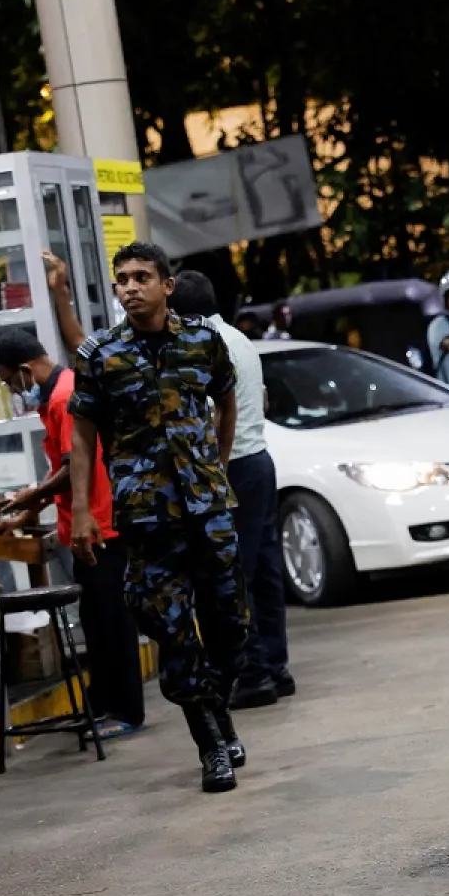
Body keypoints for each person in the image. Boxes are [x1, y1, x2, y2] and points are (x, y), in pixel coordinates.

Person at [68, 241, 250, 793]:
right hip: (147, 518)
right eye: (121, 278)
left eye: (142, 276)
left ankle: (218, 708)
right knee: (172, 631)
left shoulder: (202, 340)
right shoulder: (100, 354)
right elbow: (82, 434)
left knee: (231, 624)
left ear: (166, 285)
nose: (130, 286)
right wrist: (81, 508)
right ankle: (210, 744)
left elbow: (226, 402)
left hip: (207, 507)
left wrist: (215, 468)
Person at [0, 328, 145, 738]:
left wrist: (30, 496)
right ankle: (105, 703)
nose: (12, 389)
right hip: (84, 526)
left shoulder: (63, 399)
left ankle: (124, 711)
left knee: (111, 621)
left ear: (25, 369)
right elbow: (62, 466)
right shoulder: (60, 394)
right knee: (95, 621)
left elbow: (76, 465)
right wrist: (27, 513)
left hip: (98, 525)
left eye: (9, 381)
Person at [168, 271, 295, 711]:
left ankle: (254, 674)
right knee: (264, 571)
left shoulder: (203, 346)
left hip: (233, 465)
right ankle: (276, 668)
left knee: (233, 576)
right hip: (259, 460)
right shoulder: (239, 337)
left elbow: (213, 415)